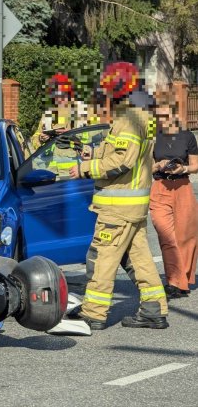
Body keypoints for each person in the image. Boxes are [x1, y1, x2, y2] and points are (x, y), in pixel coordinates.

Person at [69, 61, 168, 330]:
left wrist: (84, 167)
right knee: (140, 260)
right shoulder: (141, 115)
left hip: (117, 206)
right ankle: (153, 309)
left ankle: (93, 313)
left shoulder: (128, 118)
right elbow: (126, 157)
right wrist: (96, 153)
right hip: (132, 206)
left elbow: (120, 162)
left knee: (102, 257)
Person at [150, 94, 198, 298]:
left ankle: (182, 280)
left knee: (185, 237)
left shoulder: (187, 136)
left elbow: (196, 165)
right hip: (160, 188)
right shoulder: (153, 136)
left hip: (183, 188)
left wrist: (183, 168)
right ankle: (174, 281)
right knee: (166, 236)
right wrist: (158, 165)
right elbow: (145, 167)